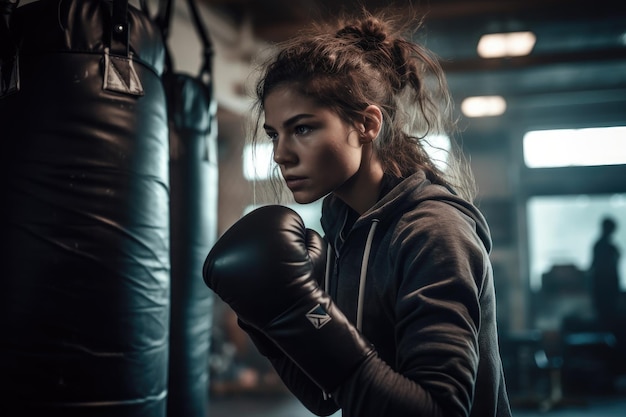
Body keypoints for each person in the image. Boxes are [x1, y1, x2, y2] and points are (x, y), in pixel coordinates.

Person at [203, 9, 512, 417]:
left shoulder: (434, 232)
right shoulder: (344, 228)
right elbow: (325, 397)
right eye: (275, 134)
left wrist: (300, 311)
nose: (281, 154)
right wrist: (265, 321)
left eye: (303, 128)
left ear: (366, 124)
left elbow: (440, 410)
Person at [589, 216, 621, 326]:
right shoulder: (604, 247)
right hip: (604, 286)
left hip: (606, 286)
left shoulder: (606, 246)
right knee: (606, 318)